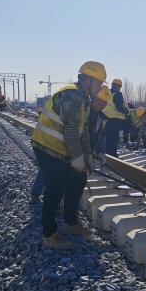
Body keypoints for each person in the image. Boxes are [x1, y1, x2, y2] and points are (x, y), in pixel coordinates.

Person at [31, 60, 106, 249]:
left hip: (61, 148)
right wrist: (78, 159)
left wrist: (87, 156)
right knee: (54, 189)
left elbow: (83, 132)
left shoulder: (84, 99)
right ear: (88, 80)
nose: (100, 88)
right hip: (48, 147)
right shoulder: (73, 95)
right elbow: (71, 132)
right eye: (99, 83)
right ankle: (49, 235)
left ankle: (70, 222)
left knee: (78, 178)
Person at [104, 78, 128, 157]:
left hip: (105, 118)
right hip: (114, 120)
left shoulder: (107, 93)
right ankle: (112, 155)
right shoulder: (117, 94)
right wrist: (126, 113)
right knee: (113, 138)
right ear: (119, 86)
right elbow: (120, 107)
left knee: (107, 138)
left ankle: (107, 154)